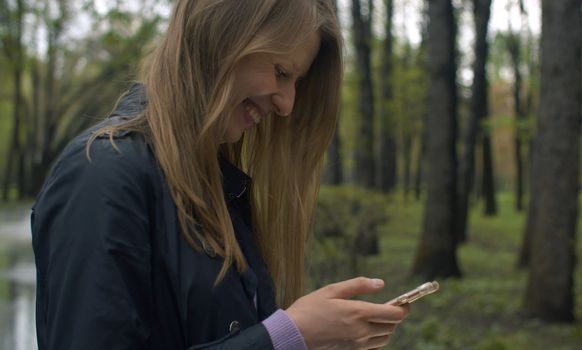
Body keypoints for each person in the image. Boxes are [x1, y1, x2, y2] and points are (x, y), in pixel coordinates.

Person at [31, 0, 410, 349]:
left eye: (295, 82)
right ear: (220, 37)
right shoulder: (103, 175)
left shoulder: (216, 186)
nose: (287, 104)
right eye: (280, 72)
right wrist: (287, 336)